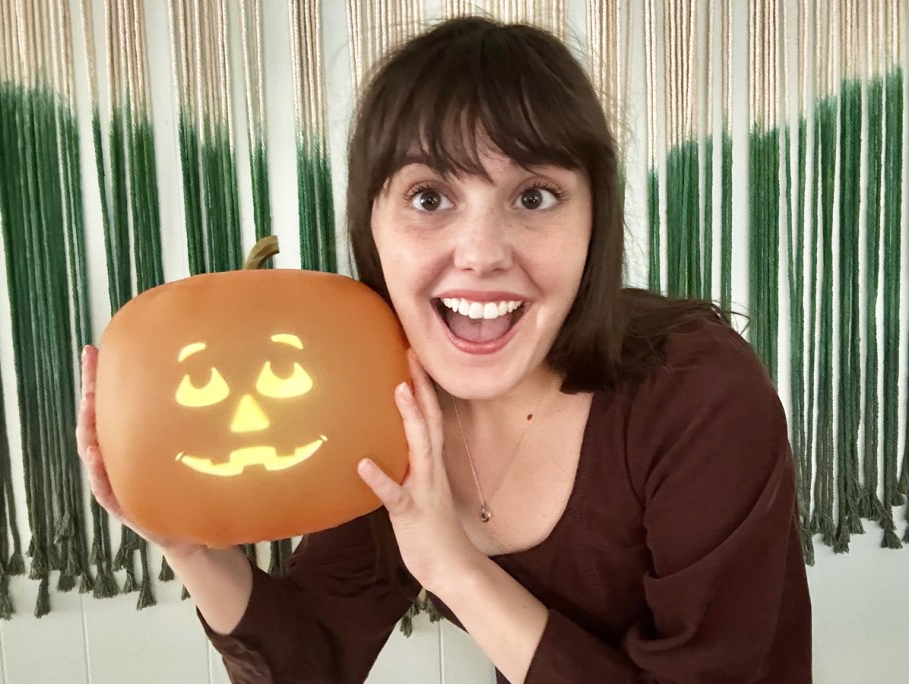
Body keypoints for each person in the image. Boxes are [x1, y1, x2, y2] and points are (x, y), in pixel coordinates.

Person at [77, 16, 812, 684]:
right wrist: (189, 547)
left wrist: (454, 570)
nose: (482, 253)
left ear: (597, 220)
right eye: (430, 197)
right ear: (371, 226)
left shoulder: (697, 393)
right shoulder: (383, 399)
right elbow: (312, 663)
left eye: (534, 196)